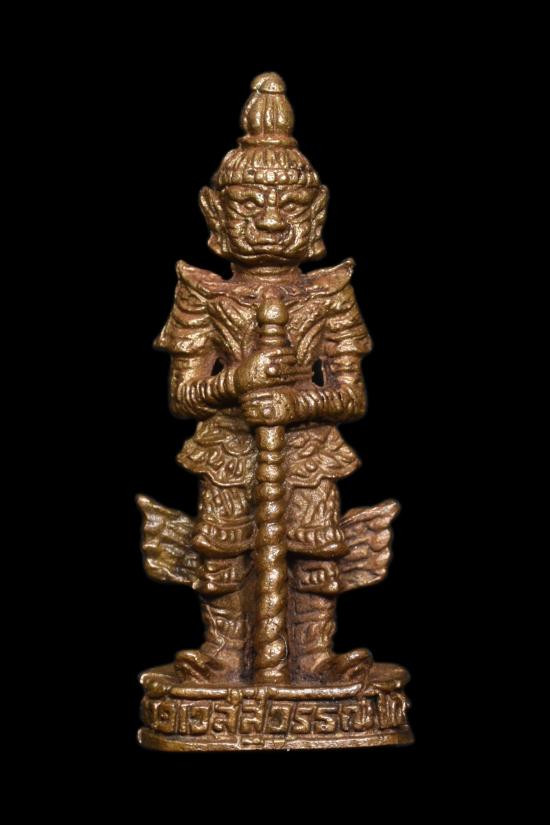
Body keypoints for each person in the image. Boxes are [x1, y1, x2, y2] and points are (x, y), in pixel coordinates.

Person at [153, 72, 374, 684]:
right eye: (251, 205)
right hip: (228, 448)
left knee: (316, 553)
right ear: (214, 211)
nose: (272, 221)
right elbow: (183, 396)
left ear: (317, 211)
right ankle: (226, 659)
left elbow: (351, 396)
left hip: (306, 449)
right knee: (222, 553)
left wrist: (297, 404)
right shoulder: (202, 293)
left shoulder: (329, 293)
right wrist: (237, 382)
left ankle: (313, 658)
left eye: (290, 207)